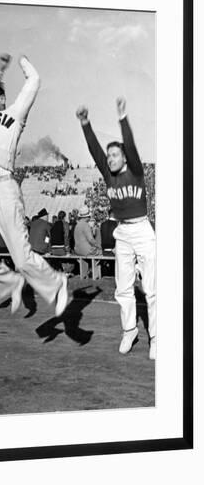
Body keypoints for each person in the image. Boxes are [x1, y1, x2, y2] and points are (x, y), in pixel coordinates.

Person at [0, 53, 68, 316]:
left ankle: (56, 282)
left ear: (2, 99)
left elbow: (33, 81)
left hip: (3, 187)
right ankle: (11, 284)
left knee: (22, 257)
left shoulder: (15, 114)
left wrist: (23, 61)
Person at [76, 97, 156, 359]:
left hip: (143, 230)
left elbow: (130, 145)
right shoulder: (107, 173)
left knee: (153, 288)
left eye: (114, 155)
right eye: (108, 156)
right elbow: (94, 150)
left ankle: (156, 337)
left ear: (124, 157)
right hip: (123, 232)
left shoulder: (135, 171)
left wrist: (122, 119)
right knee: (123, 288)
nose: (109, 158)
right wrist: (85, 123)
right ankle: (129, 330)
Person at [73, 205, 102, 279]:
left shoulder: (77, 225)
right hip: (86, 250)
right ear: (87, 216)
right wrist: (98, 246)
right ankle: (96, 274)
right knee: (101, 252)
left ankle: (85, 274)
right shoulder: (86, 225)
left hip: (77, 250)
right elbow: (91, 240)